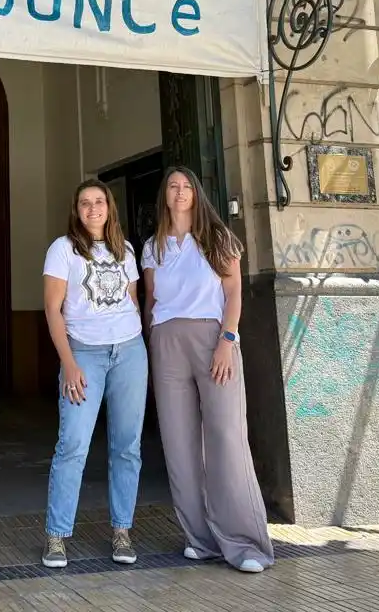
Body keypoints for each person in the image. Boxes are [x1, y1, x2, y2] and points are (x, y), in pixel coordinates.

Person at [141, 167, 273, 573]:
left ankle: (247, 544)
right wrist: (151, 345)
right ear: (164, 196)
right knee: (179, 445)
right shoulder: (152, 247)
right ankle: (201, 538)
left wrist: (226, 341)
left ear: (196, 195)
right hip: (166, 342)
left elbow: (233, 293)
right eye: (172, 187)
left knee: (226, 437)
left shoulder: (218, 238)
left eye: (186, 187)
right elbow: (150, 301)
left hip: (213, 338)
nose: (179, 193)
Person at [41, 178, 148, 569]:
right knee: (72, 445)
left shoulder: (127, 249)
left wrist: (135, 344)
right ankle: (56, 536)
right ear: (77, 209)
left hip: (130, 352)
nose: (92, 209)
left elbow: (133, 301)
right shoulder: (62, 249)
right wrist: (69, 363)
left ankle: (122, 530)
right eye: (85, 203)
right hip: (83, 354)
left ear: (109, 206)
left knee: (127, 446)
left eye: (99, 202)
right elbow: (53, 309)